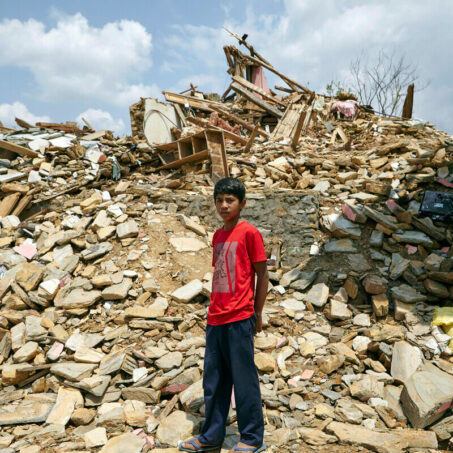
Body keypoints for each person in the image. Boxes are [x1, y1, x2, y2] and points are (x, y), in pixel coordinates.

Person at [178, 177, 268, 453]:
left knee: (244, 379)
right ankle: (211, 436)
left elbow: (262, 275)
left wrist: (258, 313)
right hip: (215, 318)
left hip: (240, 316)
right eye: (219, 200)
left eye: (229, 200)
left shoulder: (250, 233)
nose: (223, 205)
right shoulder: (218, 235)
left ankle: (252, 438)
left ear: (242, 203)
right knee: (214, 381)